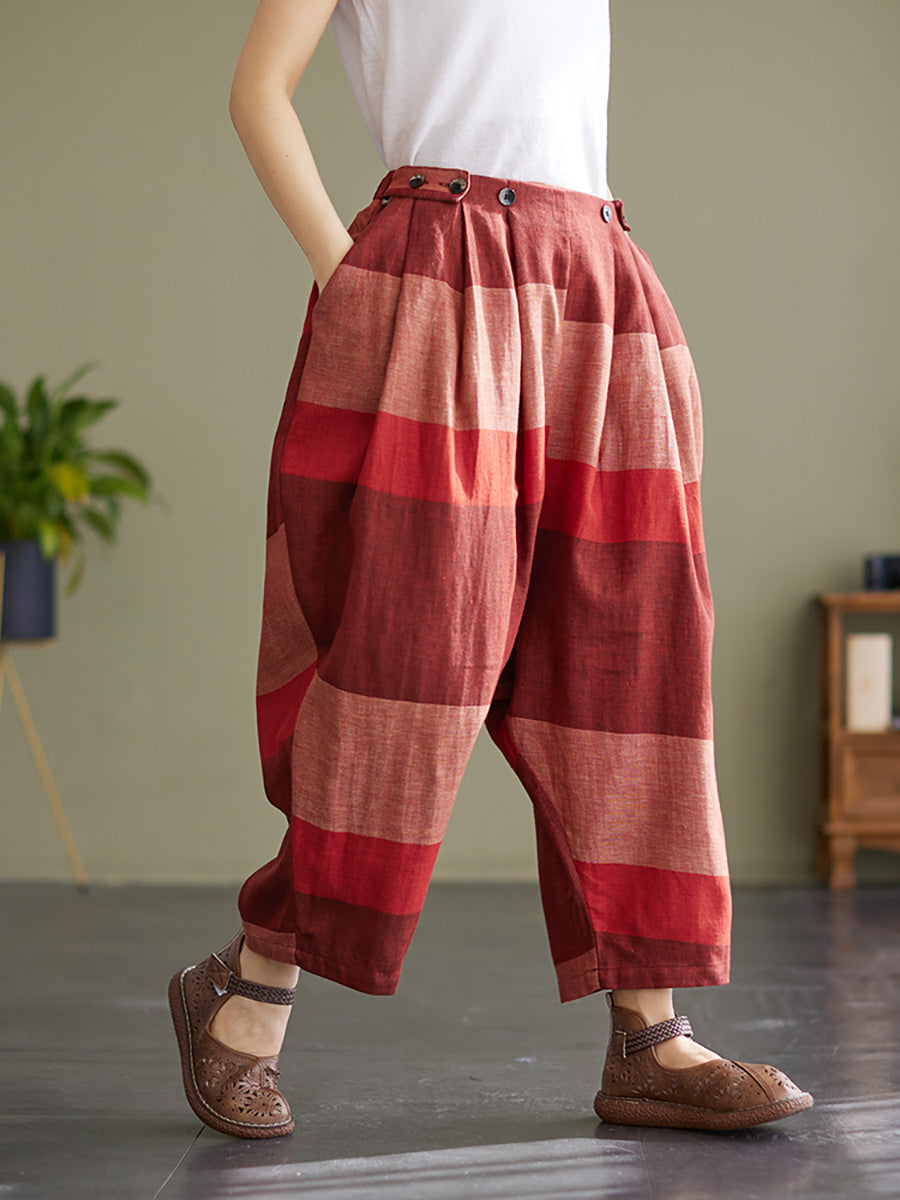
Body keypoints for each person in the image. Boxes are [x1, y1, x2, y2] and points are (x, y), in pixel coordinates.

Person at [169, 0, 814, 1138]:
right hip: (441, 262)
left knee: (631, 658)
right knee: (406, 662)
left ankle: (649, 1038)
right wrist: (347, 271)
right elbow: (256, 91)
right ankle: (250, 986)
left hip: (597, 274)